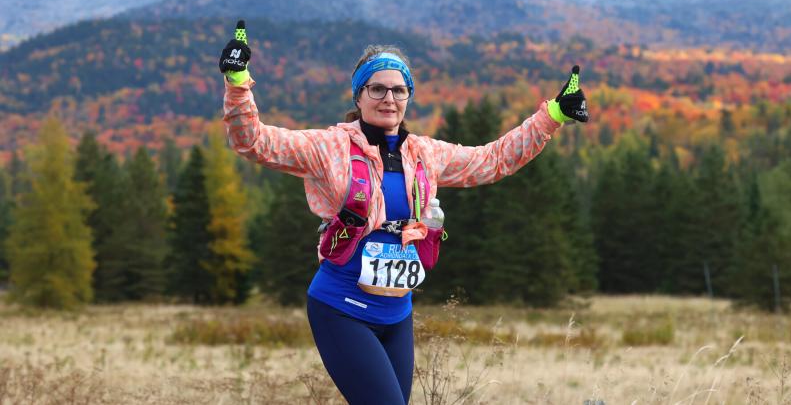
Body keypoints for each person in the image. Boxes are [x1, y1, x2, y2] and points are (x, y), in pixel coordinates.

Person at [219, 20, 588, 404]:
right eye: (376, 88)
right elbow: (254, 141)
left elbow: (492, 160)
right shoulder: (328, 147)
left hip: (397, 313)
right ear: (358, 96)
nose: (388, 98)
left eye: (399, 90)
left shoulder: (424, 154)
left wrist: (554, 116)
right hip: (341, 307)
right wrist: (237, 79)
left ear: (409, 96)